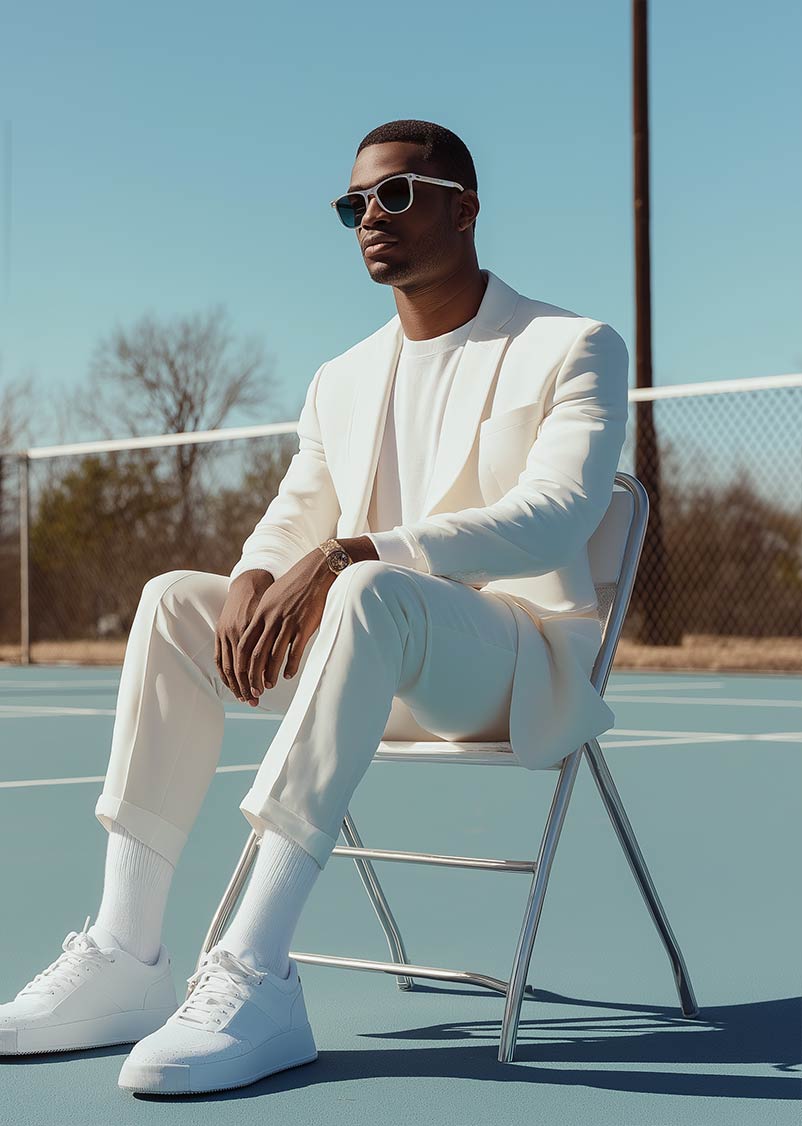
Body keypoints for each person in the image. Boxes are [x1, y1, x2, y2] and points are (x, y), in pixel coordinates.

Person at [0, 118, 629, 1094]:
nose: (371, 217)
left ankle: (256, 970)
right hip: (370, 660)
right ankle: (128, 954)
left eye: (396, 194)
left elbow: (555, 518)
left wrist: (354, 551)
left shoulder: (571, 345)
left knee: (370, 588)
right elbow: (295, 513)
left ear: (465, 209)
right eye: (353, 205)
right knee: (174, 601)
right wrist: (256, 575)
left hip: (507, 665)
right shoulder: (342, 377)